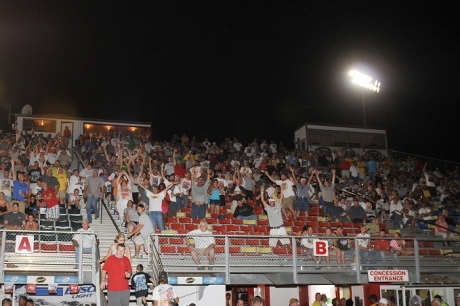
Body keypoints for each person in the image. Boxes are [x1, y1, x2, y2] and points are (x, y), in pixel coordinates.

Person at [260, 185, 291, 249]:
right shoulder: (268, 208)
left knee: (288, 242)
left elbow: (281, 198)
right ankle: (270, 257)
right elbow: (262, 201)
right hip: (273, 229)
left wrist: (281, 190)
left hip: (281, 228)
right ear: (269, 202)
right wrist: (262, 192)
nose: (271, 202)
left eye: (272, 201)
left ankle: (295, 254)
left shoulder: (278, 206)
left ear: (274, 201)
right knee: (271, 244)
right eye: (270, 201)